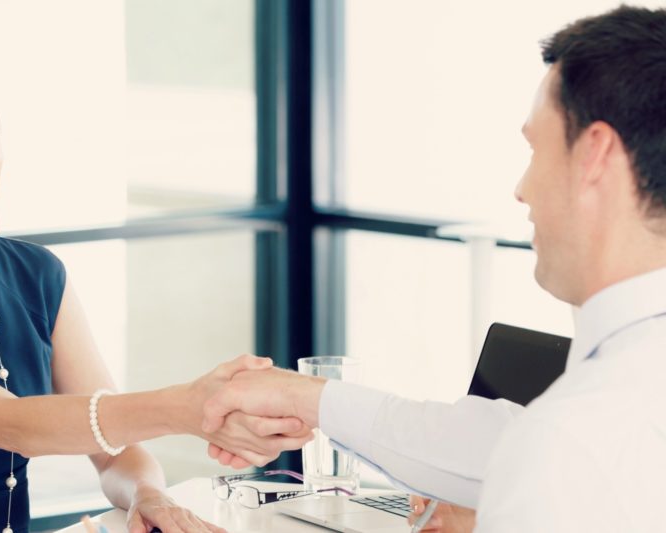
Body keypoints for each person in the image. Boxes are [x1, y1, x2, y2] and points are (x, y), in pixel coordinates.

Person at [0, 37, 311, 533]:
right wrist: (190, 406)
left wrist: (147, 493)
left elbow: (113, 450)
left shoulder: (38, 277)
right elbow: (14, 424)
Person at [202, 5, 666, 532]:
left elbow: (539, 450)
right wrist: (304, 397)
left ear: (595, 155)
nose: (522, 189)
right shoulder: (599, 411)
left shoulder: (570, 443)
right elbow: (502, 446)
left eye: (536, 149)